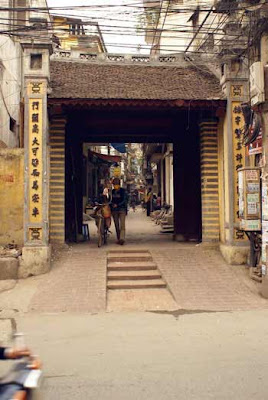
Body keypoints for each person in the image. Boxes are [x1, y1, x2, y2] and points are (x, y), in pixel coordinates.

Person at [111, 178, 128, 245]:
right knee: (116, 225)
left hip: (122, 209)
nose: (116, 185)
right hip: (114, 211)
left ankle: (122, 238)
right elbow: (110, 200)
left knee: (122, 225)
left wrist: (117, 205)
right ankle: (118, 238)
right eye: (114, 184)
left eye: (117, 184)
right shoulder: (112, 192)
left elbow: (124, 200)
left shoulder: (123, 191)